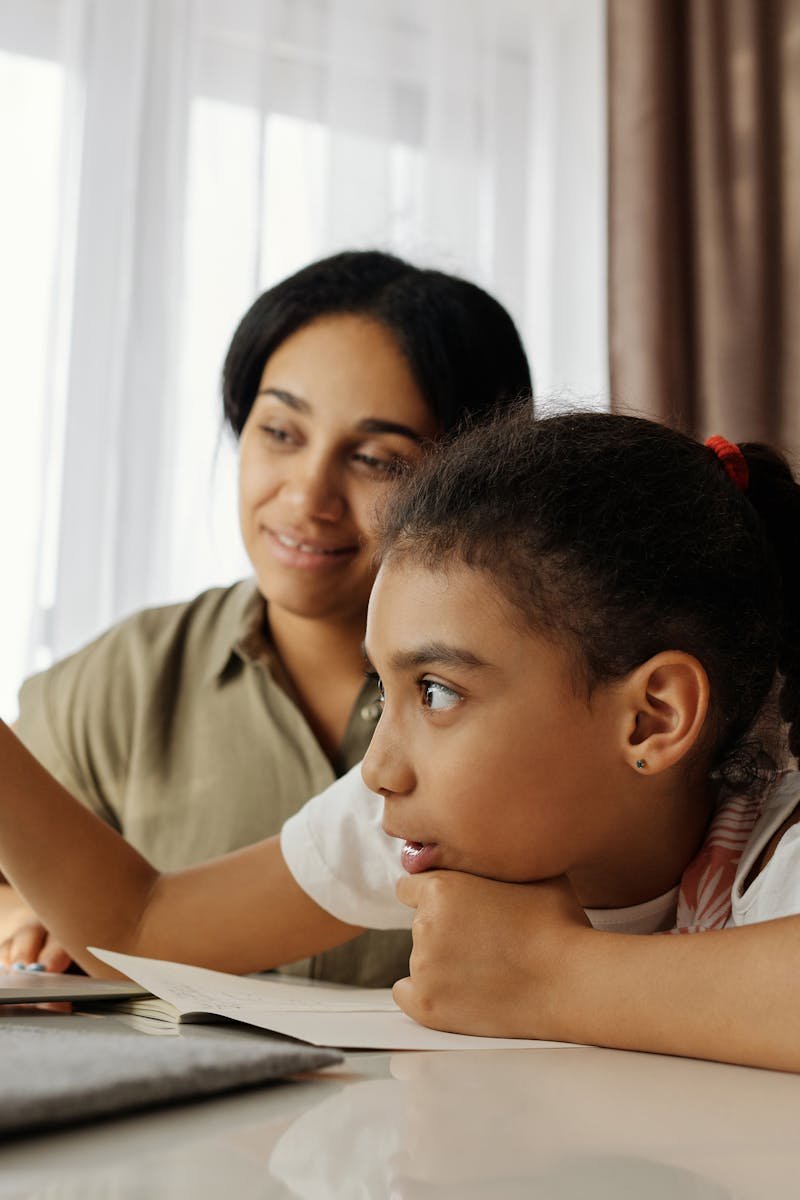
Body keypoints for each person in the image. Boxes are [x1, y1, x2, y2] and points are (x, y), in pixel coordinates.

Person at [2, 405, 800, 1071]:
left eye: (438, 691)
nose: (380, 768)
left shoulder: (777, 829)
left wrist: (550, 975)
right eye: (385, 689)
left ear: (652, 718)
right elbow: (142, 930)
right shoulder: (428, 823)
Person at [0, 249, 532, 985]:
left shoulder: (524, 714)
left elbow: (133, 923)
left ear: (471, 479)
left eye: (376, 458)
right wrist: (29, 919)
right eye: (280, 433)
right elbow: (40, 891)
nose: (308, 495)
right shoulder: (126, 677)